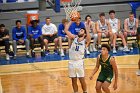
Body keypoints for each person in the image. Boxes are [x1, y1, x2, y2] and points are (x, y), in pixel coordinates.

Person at [64, 19, 90, 93]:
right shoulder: (74, 38)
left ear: (84, 34)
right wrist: (71, 21)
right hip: (71, 62)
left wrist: (86, 27)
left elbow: (89, 37)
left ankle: (85, 91)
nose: (79, 31)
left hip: (79, 62)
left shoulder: (85, 41)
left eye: (81, 31)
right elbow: (66, 30)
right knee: (73, 80)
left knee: (82, 80)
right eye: (79, 30)